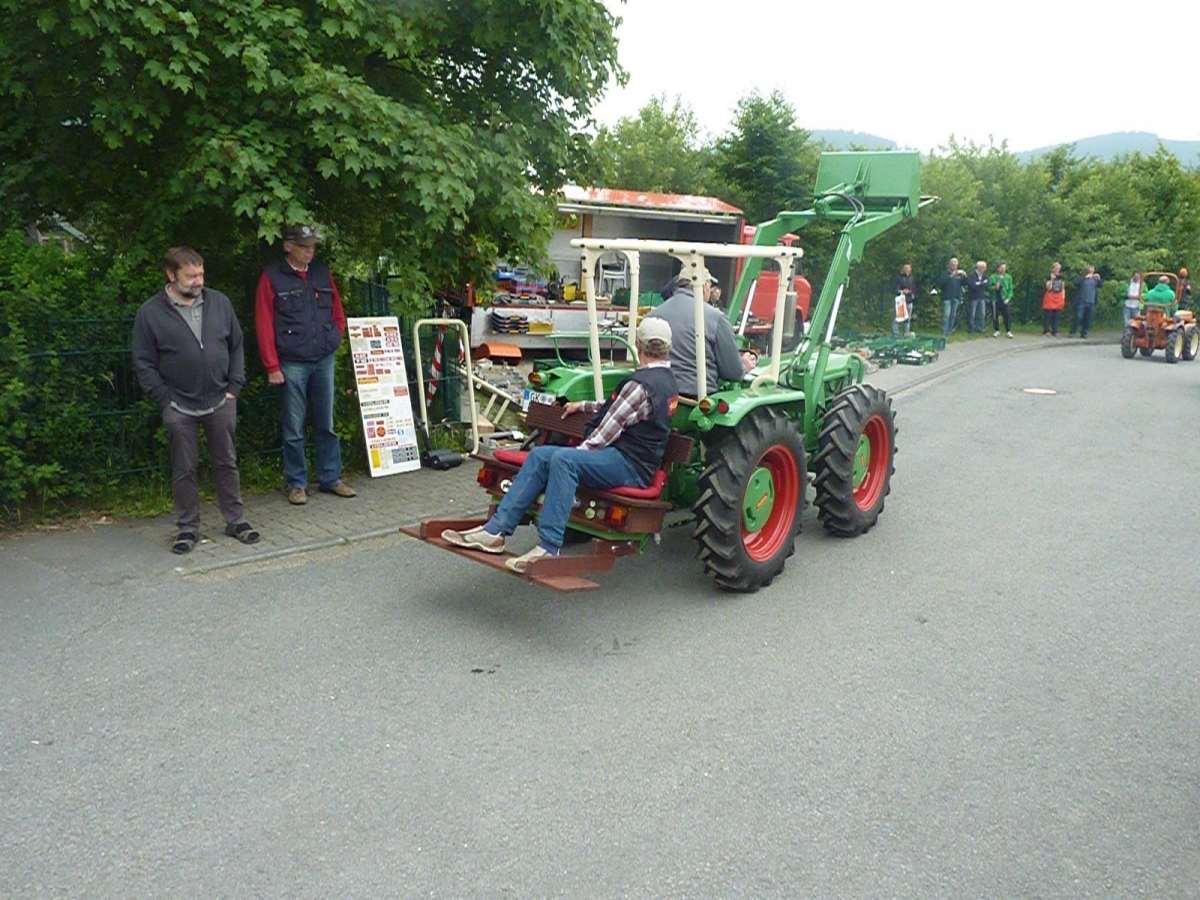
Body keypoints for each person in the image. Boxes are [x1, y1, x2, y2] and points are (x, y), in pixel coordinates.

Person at [441, 318, 679, 573]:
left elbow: (604, 434)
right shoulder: (665, 381)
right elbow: (620, 408)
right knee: (541, 455)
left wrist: (576, 454)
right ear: (667, 348)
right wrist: (583, 406)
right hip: (633, 462)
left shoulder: (639, 385)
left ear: (638, 344)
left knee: (563, 461)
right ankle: (495, 531)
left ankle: (549, 547)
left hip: (629, 466)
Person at [132, 247, 260, 554]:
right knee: (184, 468)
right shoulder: (149, 313)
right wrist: (164, 399)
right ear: (171, 274)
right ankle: (187, 529)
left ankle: (236, 520)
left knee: (227, 462)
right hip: (178, 405)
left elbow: (237, 345)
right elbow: (143, 362)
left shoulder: (220, 303)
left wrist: (234, 388)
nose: (198, 281)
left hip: (220, 400)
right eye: (191, 276)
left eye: (201, 274)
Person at [255, 224, 356, 505]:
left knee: (327, 423)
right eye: (303, 246)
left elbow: (338, 312)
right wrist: (271, 365)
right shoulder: (272, 277)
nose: (310, 251)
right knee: (293, 427)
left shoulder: (323, 273)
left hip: (324, 358)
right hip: (291, 362)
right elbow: (264, 323)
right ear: (288, 246)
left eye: (312, 246)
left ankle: (331, 478)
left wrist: (335, 335)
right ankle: (297, 483)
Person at [643, 269, 749, 397]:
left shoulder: (651, 316)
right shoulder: (716, 318)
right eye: (710, 285)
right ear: (704, 287)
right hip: (697, 401)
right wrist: (744, 366)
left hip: (656, 395)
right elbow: (733, 373)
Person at [937, 257, 969, 336]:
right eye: (953, 265)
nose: (954, 267)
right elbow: (940, 283)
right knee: (946, 315)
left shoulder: (959, 275)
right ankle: (944, 331)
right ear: (950, 265)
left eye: (955, 265)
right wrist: (951, 276)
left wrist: (965, 276)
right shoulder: (945, 274)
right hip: (947, 298)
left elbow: (966, 283)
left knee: (953, 315)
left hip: (956, 297)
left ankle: (950, 331)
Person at [1069, 265, 1102, 338]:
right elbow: (1076, 282)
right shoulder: (1083, 278)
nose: (1091, 272)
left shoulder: (1095, 280)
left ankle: (1084, 333)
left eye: (1092, 271)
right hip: (1082, 301)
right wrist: (1085, 277)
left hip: (1091, 301)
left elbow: (1100, 285)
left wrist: (1099, 279)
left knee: (1088, 318)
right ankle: (1072, 332)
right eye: (1090, 270)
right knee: (1078, 316)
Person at [989, 261, 1014, 338]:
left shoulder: (1008, 277)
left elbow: (1010, 289)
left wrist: (1008, 298)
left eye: (1004, 268)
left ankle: (1008, 330)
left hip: (1005, 298)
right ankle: (996, 330)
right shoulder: (993, 277)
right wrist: (994, 288)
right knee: (995, 315)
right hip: (996, 299)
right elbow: (989, 288)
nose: (1003, 269)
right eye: (1001, 268)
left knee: (1007, 314)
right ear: (998, 268)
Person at [965, 260, 989, 334]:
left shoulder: (984, 276)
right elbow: (972, 286)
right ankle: (971, 329)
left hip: (981, 296)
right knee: (972, 313)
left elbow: (987, 284)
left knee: (982, 313)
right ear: (979, 268)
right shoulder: (972, 275)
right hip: (973, 297)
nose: (985, 270)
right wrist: (980, 284)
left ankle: (980, 328)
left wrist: (979, 284)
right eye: (983, 268)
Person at [892, 262, 915, 338]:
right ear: (903, 269)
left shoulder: (912, 278)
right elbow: (894, 288)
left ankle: (906, 334)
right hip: (900, 302)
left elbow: (914, 288)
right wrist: (902, 291)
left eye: (908, 268)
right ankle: (895, 334)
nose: (907, 270)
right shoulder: (899, 277)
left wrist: (911, 293)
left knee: (907, 319)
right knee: (897, 318)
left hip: (909, 301)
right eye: (905, 268)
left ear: (910, 269)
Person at [1042, 262, 1065, 337]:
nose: (1057, 270)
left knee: (1056, 315)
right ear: (1053, 269)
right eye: (1056, 268)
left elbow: (1063, 287)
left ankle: (1055, 330)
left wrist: (1063, 296)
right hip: (1050, 296)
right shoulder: (1049, 276)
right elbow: (1048, 287)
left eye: (1059, 268)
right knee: (1048, 314)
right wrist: (1052, 279)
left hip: (1058, 296)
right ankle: (1046, 330)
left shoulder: (1061, 277)